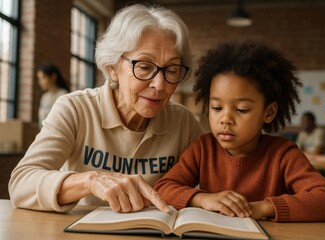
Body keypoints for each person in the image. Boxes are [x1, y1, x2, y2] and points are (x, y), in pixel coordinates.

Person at [9, 4, 204, 213]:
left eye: (172, 70)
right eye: (145, 67)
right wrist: (89, 181)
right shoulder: (75, 109)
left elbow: (211, 187)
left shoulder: (184, 123)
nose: (160, 85)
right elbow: (21, 184)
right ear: (112, 68)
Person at [154, 42, 325, 222]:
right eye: (217, 107)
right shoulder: (203, 148)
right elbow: (163, 188)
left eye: (241, 110)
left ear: (268, 113)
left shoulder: (282, 154)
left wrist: (263, 208)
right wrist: (203, 199)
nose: (225, 119)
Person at [37, 64, 70, 128]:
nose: (40, 82)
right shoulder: (44, 97)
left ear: (53, 77)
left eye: (43, 78)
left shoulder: (63, 94)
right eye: (39, 78)